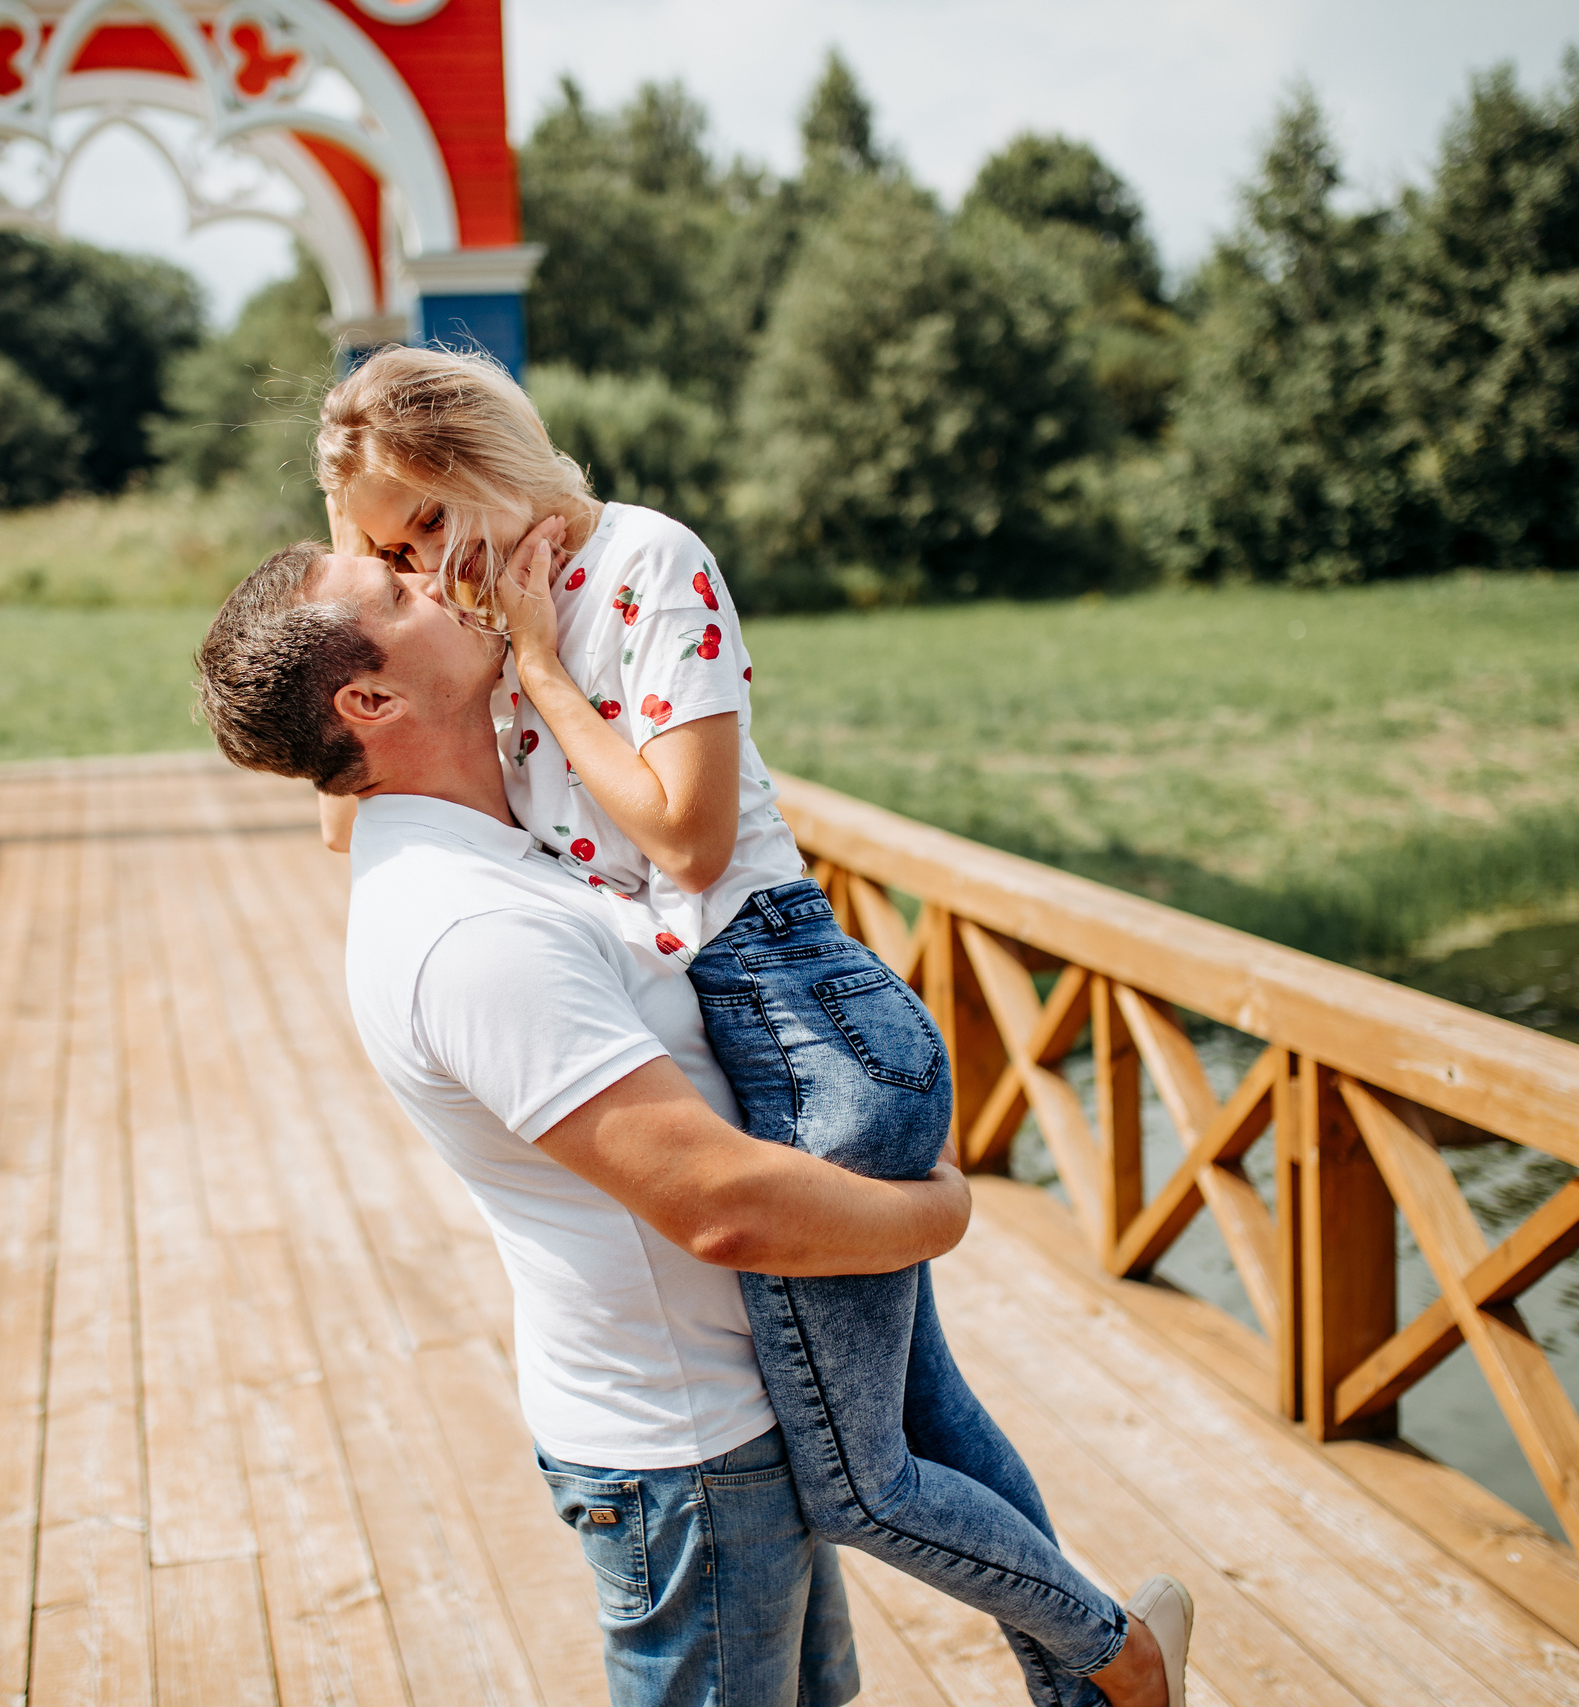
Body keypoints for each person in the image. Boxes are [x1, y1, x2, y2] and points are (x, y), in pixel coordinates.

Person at [302, 346, 1193, 1707]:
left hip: (799, 1014)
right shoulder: (473, 624)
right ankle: (1094, 1676)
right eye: (388, 554)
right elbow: (338, 795)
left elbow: (689, 840)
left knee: (855, 1479)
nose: (421, 567)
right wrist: (361, 543)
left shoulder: (642, 564)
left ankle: (1114, 1655)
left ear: (489, 460)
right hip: (742, 1031)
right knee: (926, 1415)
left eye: (424, 524)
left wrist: (540, 665)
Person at [197, 537, 965, 1706]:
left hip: (730, 1412)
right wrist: (940, 1216)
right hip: (687, 1450)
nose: (436, 577)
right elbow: (721, 1208)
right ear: (370, 703)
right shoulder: (472, 930)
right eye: (400, 589)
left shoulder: (504, 845)